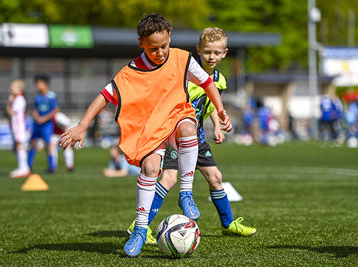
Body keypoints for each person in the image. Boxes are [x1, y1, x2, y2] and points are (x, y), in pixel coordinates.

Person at [59, 14, 232, 257]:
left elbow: (207, 83)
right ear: (141, 43)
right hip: (151, 128)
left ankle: (186, 193)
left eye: (164, 46)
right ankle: (140, 229)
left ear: (169, 38)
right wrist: (82, 125)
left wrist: (221, 111)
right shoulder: (129, 73)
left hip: (178, 115)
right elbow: (104, 96)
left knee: (189, 127)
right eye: (153, 48)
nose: (160, 52)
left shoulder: (182, 59)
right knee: (151, 168)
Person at [127, 27, 256, 243]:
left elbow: (212, 104)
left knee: (215, 177)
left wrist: (216, 125)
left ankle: (228, 224)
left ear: (224, 53)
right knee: (168, 178)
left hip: (197, 137)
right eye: (207, 52)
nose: (211, 57)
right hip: (175, 136)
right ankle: (140, 226)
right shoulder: (188, 74)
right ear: (198, 51)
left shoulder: (220, 80)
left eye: (216, 53)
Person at [27, 75, 60, 173]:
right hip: (37, 123)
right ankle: (28, 166)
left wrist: (44, 118)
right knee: (32, 143)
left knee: (48, 144)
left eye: (39, 83)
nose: (37, 85)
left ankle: (51, 166)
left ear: (45, 84)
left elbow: (56, 109)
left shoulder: (51, 96)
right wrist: (37, 117)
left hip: (47, 124)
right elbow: (35, 109)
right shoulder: (37, 97)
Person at [6, 79, 30, 178]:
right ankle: (22, 167)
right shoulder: (16, 99)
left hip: (20, 128)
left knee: (20, 146)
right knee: (17, 147)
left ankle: (24, 169)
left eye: (14, 87)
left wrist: (9, 103)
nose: (11, 88)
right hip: (16, 127)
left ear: (20, 89)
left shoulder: (20, 99)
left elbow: (11, 113)